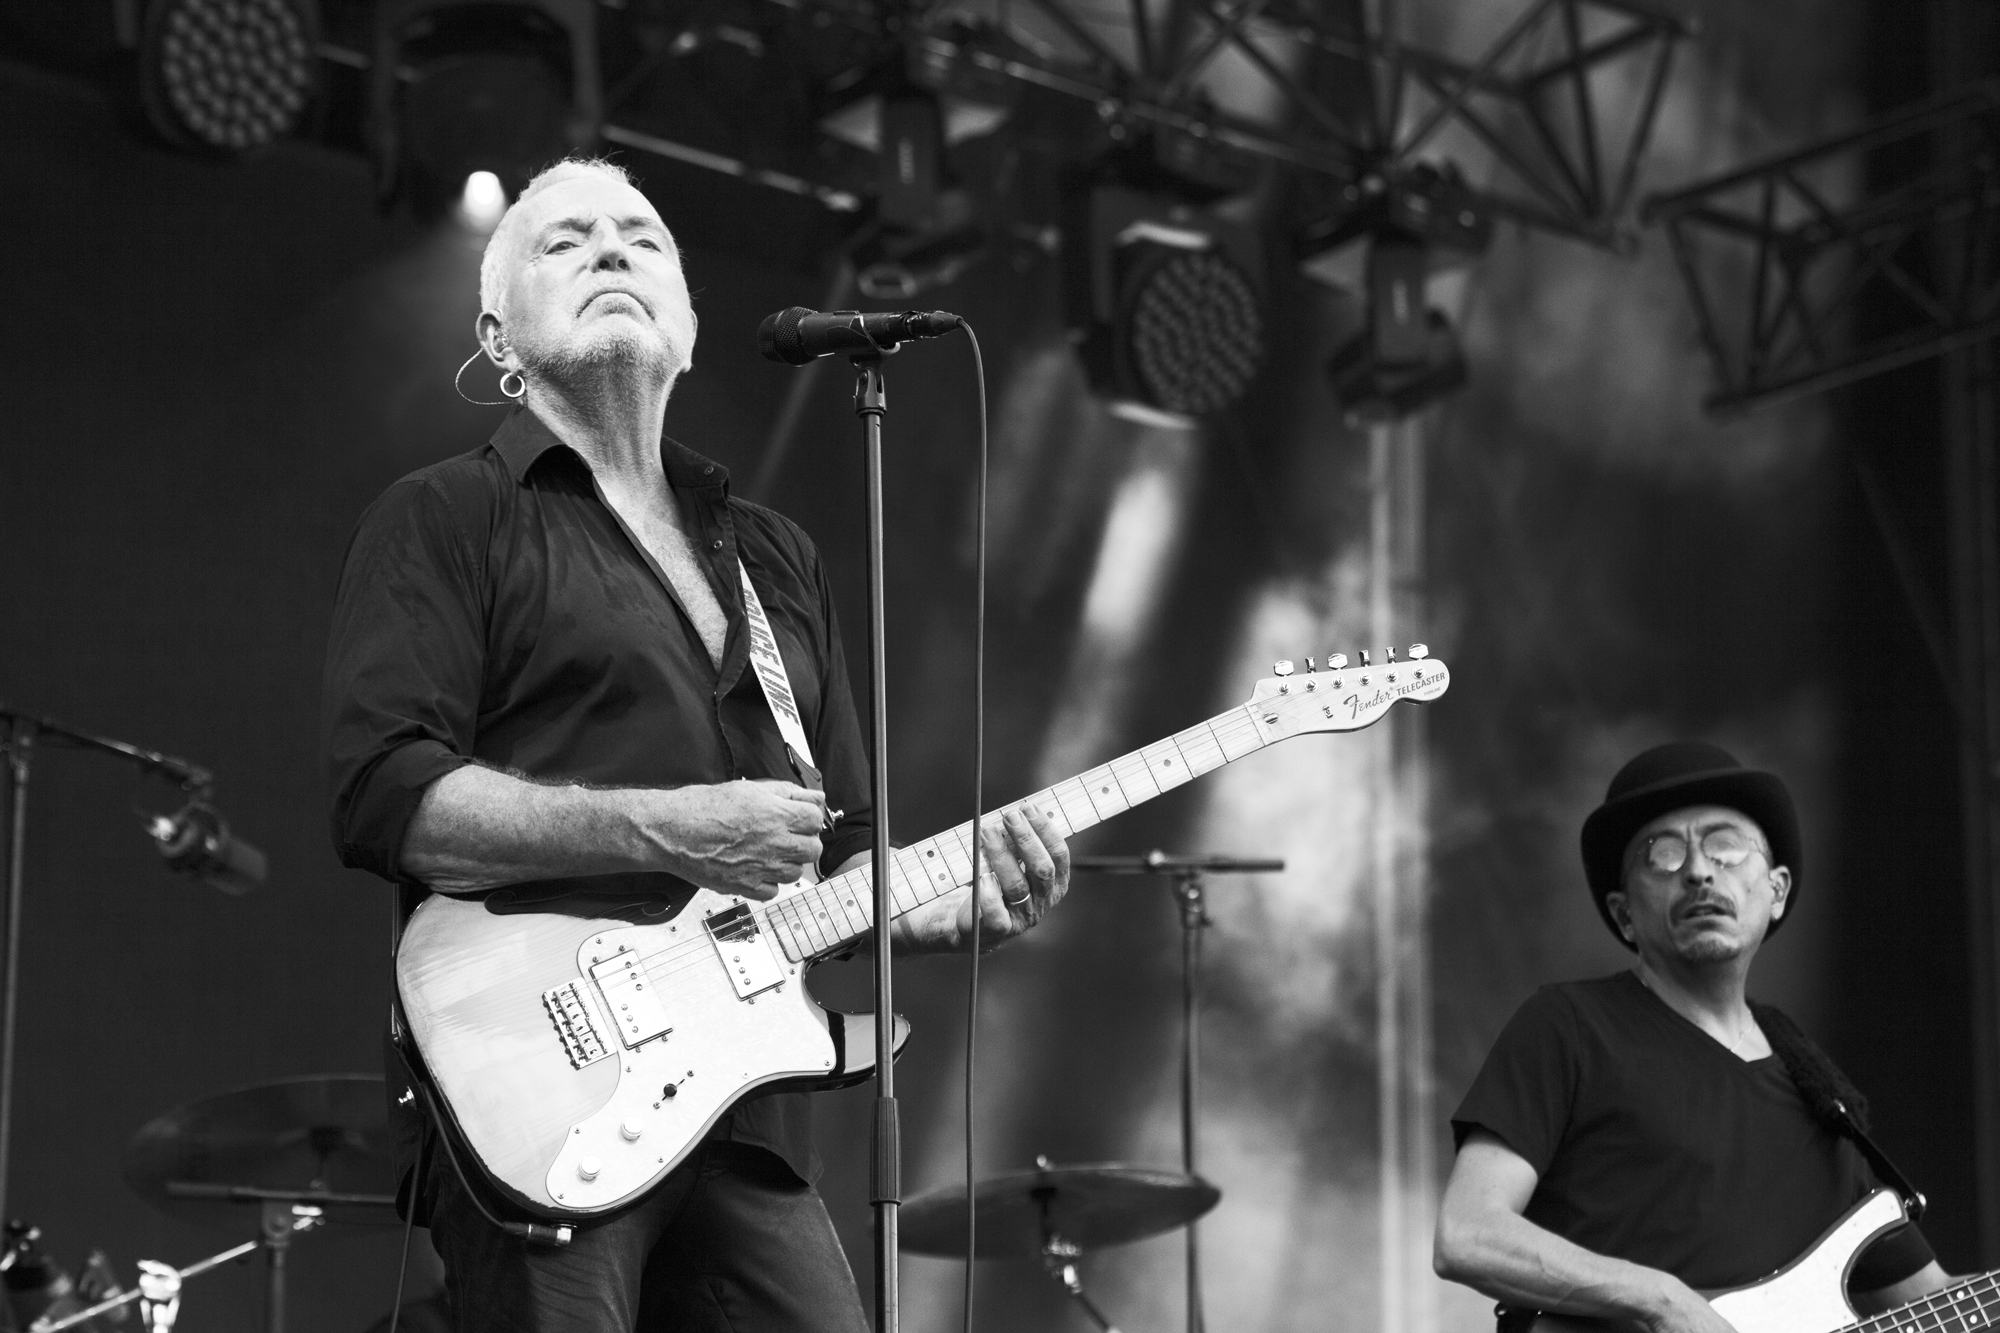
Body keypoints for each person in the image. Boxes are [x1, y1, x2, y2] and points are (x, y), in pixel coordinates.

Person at [321, 156, 1071, 1332]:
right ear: (496, 334)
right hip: (541, 1090)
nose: (611, 249)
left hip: (748, 1109)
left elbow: (842, 860)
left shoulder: (776, 559)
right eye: (565, 241)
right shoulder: (447, 515)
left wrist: (934, 913)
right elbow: (382, 794)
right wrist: (663, 825)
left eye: (641, 237)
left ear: (687, 325)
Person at [1433, 741, 1950, 1333]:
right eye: (1663, 854)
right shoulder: (1570, 1026)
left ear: (1777, 891)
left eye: (1725, 847)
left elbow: (1931, 1299)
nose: (1699, 870)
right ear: (1625, 914)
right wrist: (1660, 1299)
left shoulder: (1820, 1096)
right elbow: (1468, 1234)